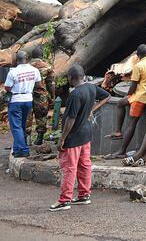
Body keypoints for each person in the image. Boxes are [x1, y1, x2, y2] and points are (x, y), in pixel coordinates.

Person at [49, 66, 110, 211]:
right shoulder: (91, 87)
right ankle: (84, 195)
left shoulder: (75, 95)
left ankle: (65, 200)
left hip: (74, 136)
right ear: (83, 76)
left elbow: (70, 118)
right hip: (86, 133)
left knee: (69, 168)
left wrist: (62, 138)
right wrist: (92, 109)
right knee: (84, 165)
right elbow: (107, 96)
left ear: (70, 77)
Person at [104, 45, 146, 159]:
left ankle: (122, 151)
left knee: (131, 123)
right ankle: (118, 131)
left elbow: (133, 86)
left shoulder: (138, 66)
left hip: (141, 97)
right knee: (120, 103)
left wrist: (129, 95)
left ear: (137, 56)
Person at [4, 50, 42, 157]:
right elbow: (38, 84)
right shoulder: (35, 70)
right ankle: (16, 149)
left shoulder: (13, 72)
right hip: (28, 99)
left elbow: (7, 87)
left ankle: (24, 150)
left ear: (16, 60)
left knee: (16, 127)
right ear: (27, 59)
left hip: (16, 100)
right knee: (21, 125)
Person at [29, 46, 55, 146]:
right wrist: (52, 97)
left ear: (31, 56)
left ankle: (27, 139)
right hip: (41, 96)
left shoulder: (26, 66)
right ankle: (39, 138)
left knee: (27, 116)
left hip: (28, 95)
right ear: (42, 55)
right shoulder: (47, 67)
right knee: (42, 116)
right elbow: (51, 83)